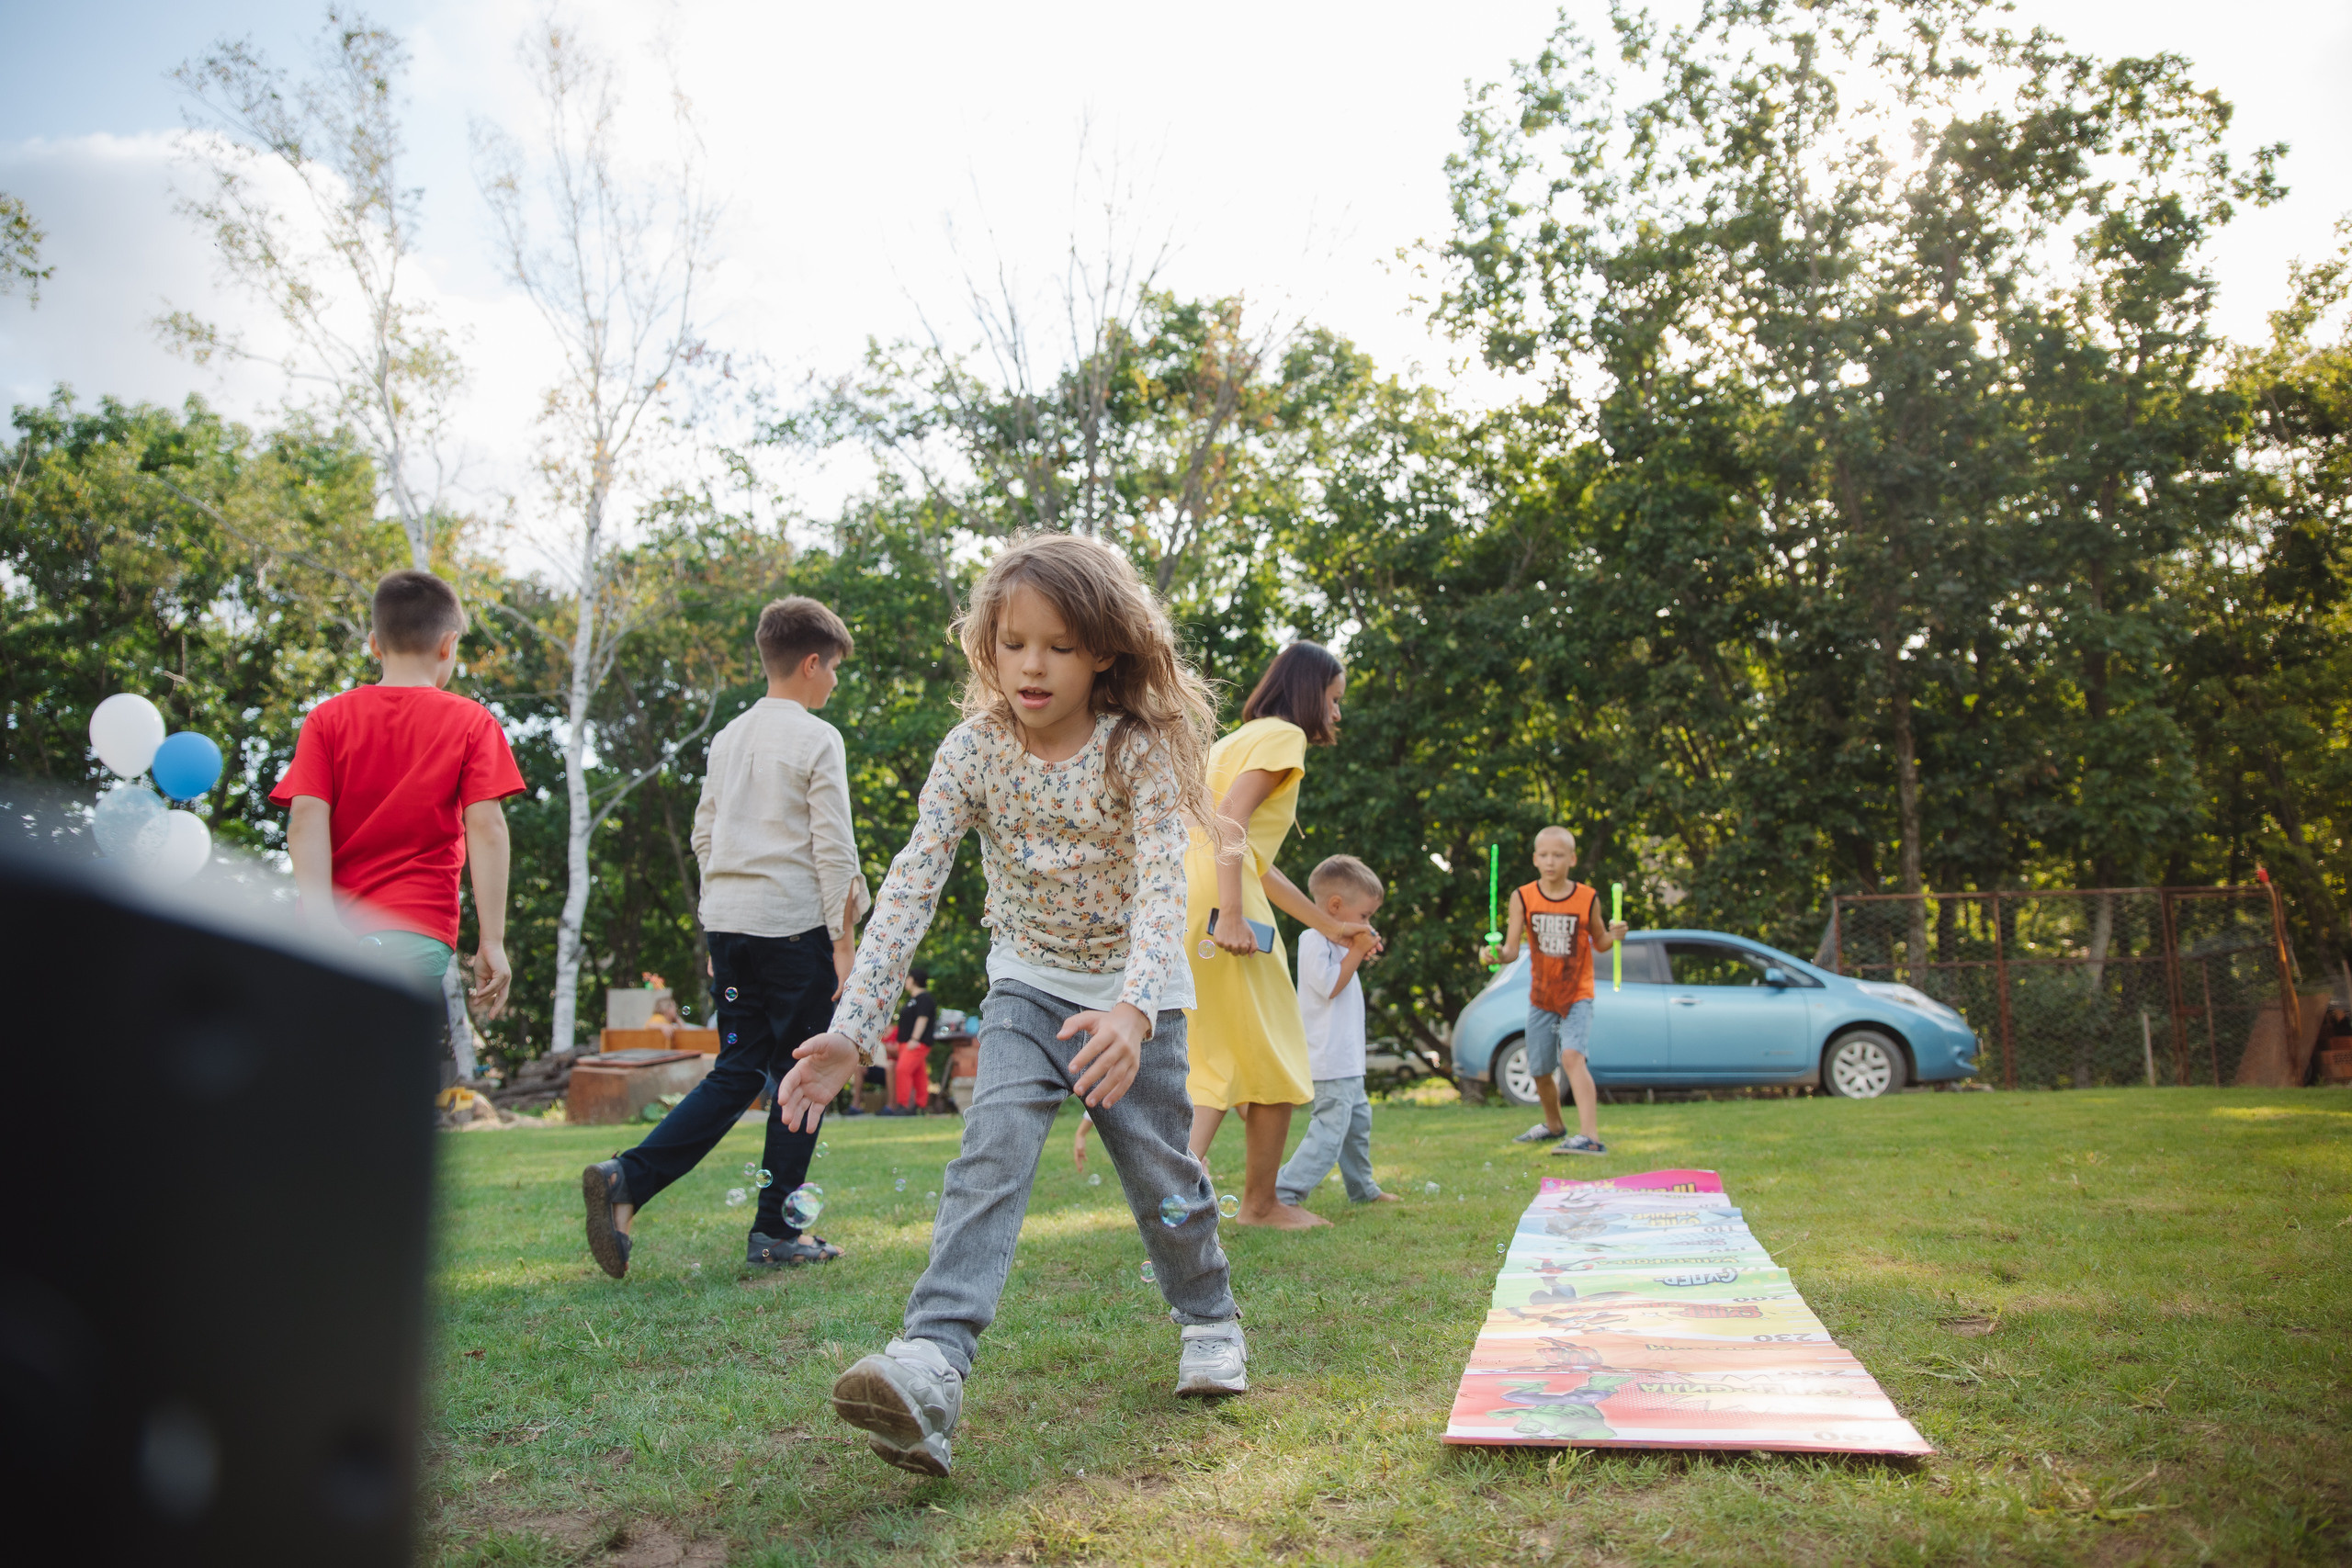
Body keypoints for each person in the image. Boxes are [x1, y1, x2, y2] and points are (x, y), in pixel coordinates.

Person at [772, 532, 1246, 1479]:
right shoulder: (972, 752)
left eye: (1060, 646)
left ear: (1104, 651)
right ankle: (931, 1363)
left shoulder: (1136, 752)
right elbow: (910, 885)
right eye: (1013, 642)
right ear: (986, 645)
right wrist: (856, 1029)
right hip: (1027, 981)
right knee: (989, 1155)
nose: (1033, 665)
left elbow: (1165, 883)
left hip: (1130, 997)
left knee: (1165, 1181)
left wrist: (1136, 1010)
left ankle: (1209, 1319)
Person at [581, 596, 870, 1278]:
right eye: (833, 670)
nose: (834, 682)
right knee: (803, 1074)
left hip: (730, 927)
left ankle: (628, 1181)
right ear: (810, 663)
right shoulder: (817, 738)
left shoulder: (729, 737)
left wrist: (721, 908)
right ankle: (776, 1229)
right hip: (794, 929)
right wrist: (844, 939)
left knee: (737, 1070)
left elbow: (704, 832)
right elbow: (833, 845)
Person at [271, 569, 521, 1033]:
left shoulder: (326, 719)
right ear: (448, 645)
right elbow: (487, 828)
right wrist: (492, 941)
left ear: (374, 644)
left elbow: (304, 822)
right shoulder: (471, 722)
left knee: (325, 1072)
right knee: (383, 1075)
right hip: (414, 930)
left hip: (326, 932)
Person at [1182, 642, 1380, 1229]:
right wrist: (1234, 913)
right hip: (1223, 904)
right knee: (1274, 1056)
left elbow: (1259, 862)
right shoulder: (1281, 737)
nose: (1337, 714)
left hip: (1191, 899)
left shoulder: (1233, 742)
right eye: (1334, 699)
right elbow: (1230, 823)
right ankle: (1262, 1205)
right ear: (1308, 692)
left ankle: (1172, 1198)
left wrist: (1330, 926)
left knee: (1220, 1057)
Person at [1481, 826, 1627, 1156]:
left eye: (1558, 855)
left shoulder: (1587, 897)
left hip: (1578, 992)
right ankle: (1554, 1126)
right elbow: (1509, 950)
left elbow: (1602, 943)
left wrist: (1617, 934)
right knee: (1540, 1069)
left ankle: (1590, 1136)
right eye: (1544, 855)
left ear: (1572, 859)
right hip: (1542, 995)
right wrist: (1491, 954)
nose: (1551, 862)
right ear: (1535, 859)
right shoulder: (1522, 897)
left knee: (1572, 1056)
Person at [1273, 854, 1399, 1209]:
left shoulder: (1341, 944)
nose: (1369, 924)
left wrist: (1357, 950)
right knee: (1329, 1133)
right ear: (1335, 906)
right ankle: (1285, 1192)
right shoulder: (1313, 939)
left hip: (1348, 1060)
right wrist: (1357, 952)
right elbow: (1330, 986)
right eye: (1364, 916)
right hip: (1329, 1060)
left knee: (1356, 1128)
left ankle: (1363, 1188)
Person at [881, 965, 939, 1116]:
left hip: (915, 1043)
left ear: (914, 980)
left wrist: (915, 1039)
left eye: (908, 978)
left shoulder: (924, 998)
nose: (906, 981)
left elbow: (922, 1019)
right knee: (919, 1073)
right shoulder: (912, 999)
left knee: (902, 1070)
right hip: (905, 1043)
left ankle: (904, 1105)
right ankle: (920, 1105)